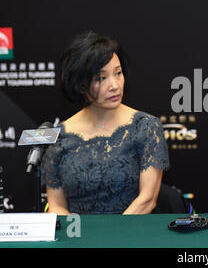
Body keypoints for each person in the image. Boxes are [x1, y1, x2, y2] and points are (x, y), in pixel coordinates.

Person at [41, 31, 170, 215]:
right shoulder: (60, 137)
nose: (114, 85)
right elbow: (56, 206)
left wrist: (112, 238)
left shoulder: (145, 126)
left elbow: (147, 199)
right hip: (77, 239)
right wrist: (78, 238)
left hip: (129, 236)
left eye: (118, 73)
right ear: (80, 84)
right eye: (101, 78)